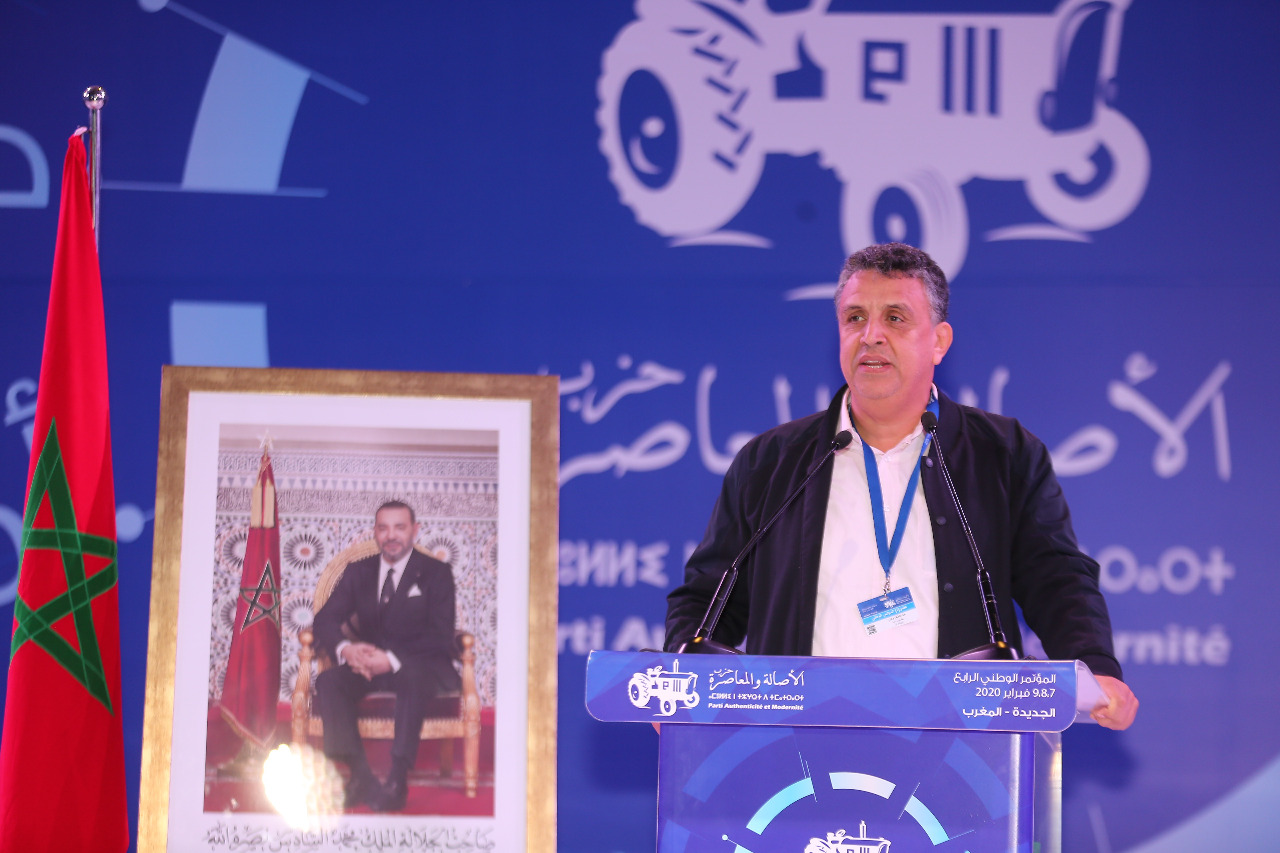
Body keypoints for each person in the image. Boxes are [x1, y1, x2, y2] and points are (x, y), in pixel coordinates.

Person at [665, 242, 1138, 731]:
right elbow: (707, 598)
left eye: (895, 318)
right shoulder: (771, 462)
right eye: (854, 318)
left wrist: (1095, 665)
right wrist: (678, 684)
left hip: (959, 747)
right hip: (796, 741)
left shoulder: (1004, 453)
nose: (871, 335)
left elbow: (1056, 580)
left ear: (939, 341)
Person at [314, 500, 461, 810]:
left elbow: (440, 635)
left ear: (415, 530)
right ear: (375, 532)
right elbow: (324, 620)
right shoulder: (359, 571)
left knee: (412, 677)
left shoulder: (436, 573)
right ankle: (360, 775)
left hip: (420, 665)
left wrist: (391, 659)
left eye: (399, 527)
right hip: (369, 666)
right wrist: (346, 649)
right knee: (329, 681)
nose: (391, 535)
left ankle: (397, 778)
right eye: (383, 528)